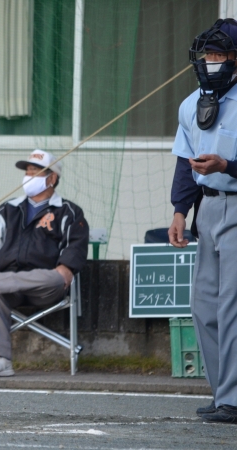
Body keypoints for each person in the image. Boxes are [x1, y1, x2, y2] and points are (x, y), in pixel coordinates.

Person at [0, 149, 88, 378]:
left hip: (44, 288)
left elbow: (75, 249)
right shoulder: (8, 210)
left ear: (52, 178)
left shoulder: (69, 212)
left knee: (59, 276)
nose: (28, 176)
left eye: (35, 172)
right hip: (8, 288)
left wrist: (67, 267)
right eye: (27, 172)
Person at [168, 18, 237, 425]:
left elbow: (221, 164)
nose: (212, 61)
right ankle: (222, 393)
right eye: (208, 53)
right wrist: (180, 210)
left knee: (233, 305)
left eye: (220, 54)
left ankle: (234, 397)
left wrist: (227, 165)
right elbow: (185, 161)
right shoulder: (190, 103)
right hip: (207, 209)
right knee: (204, 306)